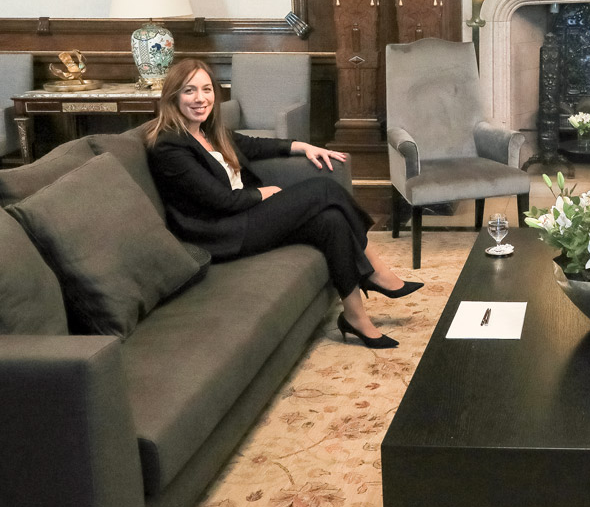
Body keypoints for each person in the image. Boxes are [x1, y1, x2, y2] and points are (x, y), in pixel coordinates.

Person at [146, 58, 421, 349]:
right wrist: (264, 193)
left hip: (243, 216)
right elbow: (220, 201)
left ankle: (355, 317)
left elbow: (255, 145)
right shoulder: (169, 145)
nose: (200, 98)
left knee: (331, 220)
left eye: (206, 89)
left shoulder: (207, 131)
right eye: (189, 91)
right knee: (324, 189)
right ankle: (376, 270)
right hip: (222, 233)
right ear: (173, 96)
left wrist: (302, 146)